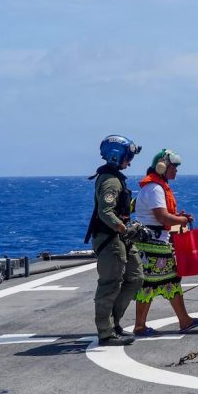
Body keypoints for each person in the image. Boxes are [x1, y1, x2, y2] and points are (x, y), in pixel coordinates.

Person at [132, 149, 198, 336]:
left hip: (154, 244)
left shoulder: (155, 186)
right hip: (153, 245)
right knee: (151, 284)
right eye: (174, 167)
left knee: (169, 282)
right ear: (163, 167)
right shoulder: (155, 188)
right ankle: (141, 326)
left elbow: (162, 216)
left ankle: (184, 320)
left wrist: (176, 217)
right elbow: (162, 217)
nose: (176, 171)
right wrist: (181, 220)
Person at [84, 135, 144, 346]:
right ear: (117, 156)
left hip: (121, 238)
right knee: (110, 284)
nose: (130, 160)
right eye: (128, 156)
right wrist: (124, 228)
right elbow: (106, 212)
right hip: (111, 239)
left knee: (135, 277)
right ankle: (106, 332)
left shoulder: (115, 178)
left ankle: (114, 324)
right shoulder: (110, 180)